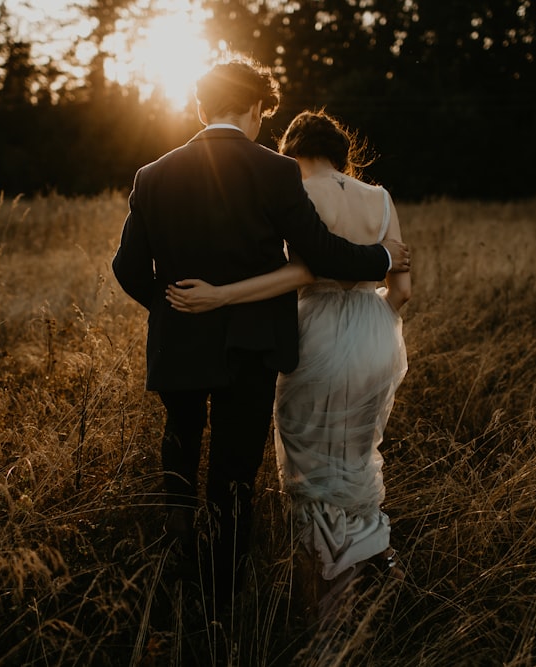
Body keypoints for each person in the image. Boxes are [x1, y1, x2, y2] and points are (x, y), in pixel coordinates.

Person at [111, 60, 410, 614]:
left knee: (180, 440)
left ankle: (175, 553)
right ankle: (221, 596)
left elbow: (127, 267)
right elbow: (320, 254)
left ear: (201, 108)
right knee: (233, 474)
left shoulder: (152, 175)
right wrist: (384, 257)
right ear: (253, 109)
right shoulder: (275, 172)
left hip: (180, 341)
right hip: (252, 345)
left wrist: (173, 306)